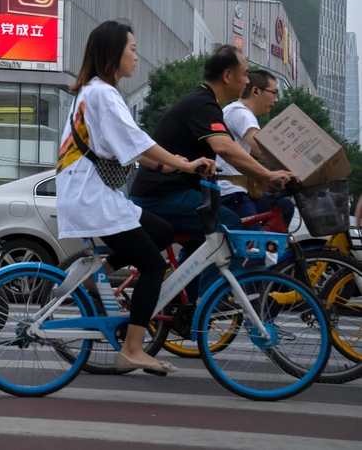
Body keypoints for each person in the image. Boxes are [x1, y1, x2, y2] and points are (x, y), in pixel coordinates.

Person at [56, 20, 215, 375]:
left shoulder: (92, 92)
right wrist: (184, 164)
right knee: (154, 266)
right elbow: (139, 143)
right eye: (132, 49)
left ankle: (99, 275)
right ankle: (132, 349)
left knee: (161, 231)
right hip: (91, 197)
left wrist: (172, 164)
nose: (136, 57)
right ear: (114, 54)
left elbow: (130, 148)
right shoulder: (103, 94)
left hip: (89, 193)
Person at [130, 46, 293, 235]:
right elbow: (225, 148)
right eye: (245, 74)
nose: (248, 81)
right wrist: (267, 175)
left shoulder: (206, 103)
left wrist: (259, 177)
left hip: (170, 191)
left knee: (206, 240)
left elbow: (230, 148)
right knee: (230, 225)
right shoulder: (203, 104)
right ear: (227, 75)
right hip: (163, 194)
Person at [215, 69, 295, 230]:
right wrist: (296, 166)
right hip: (230, 192)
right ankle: (261, 246)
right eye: (274, 93)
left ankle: (270, 245)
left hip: (237, 189)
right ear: (256, 91)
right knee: (252, 241)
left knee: (284, 206)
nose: (276, 99)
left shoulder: (234, 111)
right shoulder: (241, 113)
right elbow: (260, 147)